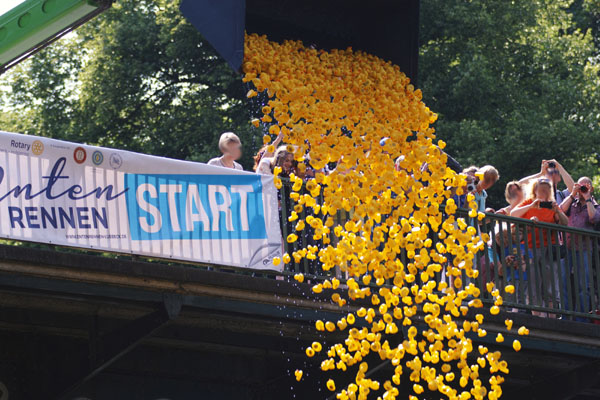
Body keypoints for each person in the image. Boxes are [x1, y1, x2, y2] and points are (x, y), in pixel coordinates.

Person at [510, 178, 569, 315]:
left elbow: (565, 222)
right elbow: (513, 214)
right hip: (530, 248)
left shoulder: (553, 205)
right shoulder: (529, 202)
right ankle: (536, 319)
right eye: (541, 188)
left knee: (551, 285)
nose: (544, 191)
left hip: (549, 248)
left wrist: (557, 211)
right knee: (533, 284)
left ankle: (552, 319)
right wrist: (531, 207)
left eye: (546, 188)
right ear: (534, 190)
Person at [558, 177, 600, 319]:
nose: (582, 189)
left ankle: (581, 319)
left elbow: (593, 218)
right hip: (567, 247)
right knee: (564, 284)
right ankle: (565, 317)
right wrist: (572, 193)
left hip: (584, 249)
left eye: (585, 187)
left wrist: (588, 198)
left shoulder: (595, 205)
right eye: (580, 186)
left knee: (584, 286)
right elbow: (560, 210)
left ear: (591, 188)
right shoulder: (572, 203)